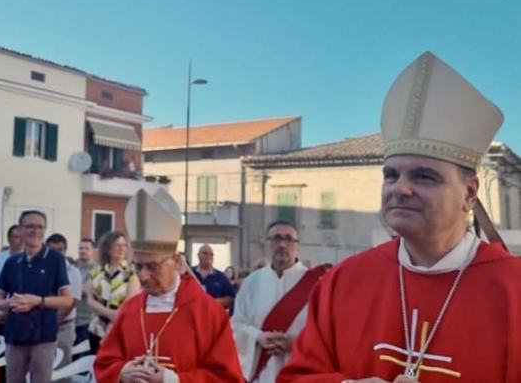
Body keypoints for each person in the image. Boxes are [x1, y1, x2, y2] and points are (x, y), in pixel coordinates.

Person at [278, 52, 521, 382]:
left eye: (424, 177)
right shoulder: (344, 281)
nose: (400, 189)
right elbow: (296, 377)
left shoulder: (513, 287)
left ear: (469, 192)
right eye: (391, 175)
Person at [94, 188, 245, 382]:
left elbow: (228, 377)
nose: (143, 276)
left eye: (153, 266)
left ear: (175, 260)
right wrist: (121, 372)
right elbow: (104, 362)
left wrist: (174, 380)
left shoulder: (208, 313)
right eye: (138, 266)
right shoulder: (130, 309)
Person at [232, 221, 325, 382]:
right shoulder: (251, 282)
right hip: (262, 372)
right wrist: (258, 337)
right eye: (276, 238)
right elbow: (236, 325)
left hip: (301, 370)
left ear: (297, 246)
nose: (282, 244)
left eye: (289, 239)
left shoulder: (317, 284)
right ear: (267, 244)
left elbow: (327, 330)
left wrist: (297, 342)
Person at [0, 211, 73, 383]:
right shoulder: (12, 262)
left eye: (40, 227)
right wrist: (12, 303)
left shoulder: (55, 259)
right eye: (30, 226)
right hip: (15, 334)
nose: (35, 231)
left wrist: (37, 301)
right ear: (21, 230)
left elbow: (67, 299)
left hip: (44, 335)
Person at [85, 230, 140, 353]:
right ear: (108, 248)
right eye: (117, 245)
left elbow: (129, 303)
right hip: (96, 328)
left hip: (120, 329)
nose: (122, 248)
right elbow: (90, 299)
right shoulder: (96, 272)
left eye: (124, 245)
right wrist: (109, 313)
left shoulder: (131, 273)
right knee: (96, 366)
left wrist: (112, 322)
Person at [45, 233, 83, 382]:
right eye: (52, 250)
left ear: (65, 251)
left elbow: (71, 303)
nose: (56, 253)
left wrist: (48, 323)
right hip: (41, 326)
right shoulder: (41, 271)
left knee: (62, 369)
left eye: (60, 250)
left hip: (63, 327)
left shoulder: (73, 272)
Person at [192, 244, 237, 311]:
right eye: (205, 253)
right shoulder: (190, 274)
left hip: (213, 315)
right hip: (192, 314)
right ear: (198, 255)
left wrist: (213, 302)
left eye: (211, 254)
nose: (208, 256)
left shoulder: (220, 277)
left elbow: (231, 298)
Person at [73, 237, 95, 345]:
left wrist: (71, 290)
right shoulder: (72, 267)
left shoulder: (97, 269)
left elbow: (86, 289)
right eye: (81, 248)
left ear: (93, 251)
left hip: (87, 321)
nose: (83, 251)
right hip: (71, 320)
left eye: (86, 248)